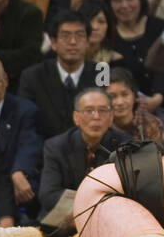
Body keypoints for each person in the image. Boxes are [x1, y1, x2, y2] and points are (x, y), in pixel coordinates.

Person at [39, 87, 129, 223]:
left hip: (108, 220)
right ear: (76, 117)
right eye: (89, 111)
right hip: (65, 223)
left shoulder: (124, 146)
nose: (96, 116)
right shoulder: (56, 147)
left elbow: (129, 193)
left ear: (111, 117)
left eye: (103, 110)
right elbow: (48, 195)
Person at [16, 9, 101, 141]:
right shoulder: (32, 76)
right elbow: (27, 125)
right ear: (53, 42)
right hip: (44, 152)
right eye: (65, 36)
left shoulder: (102, 72)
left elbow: (106, 116)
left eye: (79, 35)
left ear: (88, 42)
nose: (73, 41)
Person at [0, 56, 42, 218]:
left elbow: (29, 145)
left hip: (13, 193)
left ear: (5, 80)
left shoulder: (25, 110)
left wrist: (19, 171)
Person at [103, 0, 164, 97]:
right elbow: (100, 83)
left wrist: (157, 98)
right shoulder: (105, 35)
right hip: (119, 107)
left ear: (141, 0)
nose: (125, 5)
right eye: (117, 0)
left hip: (162, 105)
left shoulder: (161, 28)